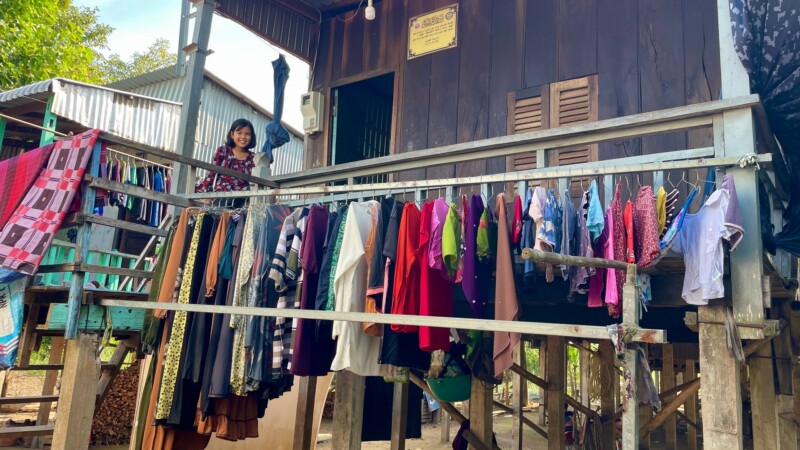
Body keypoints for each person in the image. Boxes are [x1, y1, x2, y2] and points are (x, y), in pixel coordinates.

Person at [195, 118, 257, 206]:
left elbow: (254, 182)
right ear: (232, 134)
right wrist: (206, 194)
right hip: (222, 195)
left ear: (252, 137)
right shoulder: (223, 151)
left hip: (243, 198)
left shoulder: (253, 158)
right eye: (239, 133)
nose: (243, 137)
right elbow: (211, 174)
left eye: (247, 134)